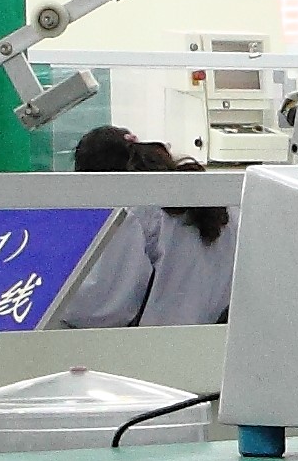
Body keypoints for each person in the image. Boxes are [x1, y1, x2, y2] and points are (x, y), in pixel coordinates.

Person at [47, 127, 235, 328]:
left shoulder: (134, 214)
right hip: (213, 337)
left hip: (153, 341)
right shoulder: (213, 202)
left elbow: (100, 308)